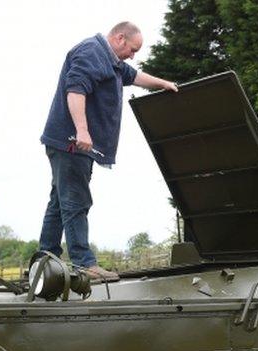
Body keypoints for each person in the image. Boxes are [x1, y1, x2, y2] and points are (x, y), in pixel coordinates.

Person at [38, 21, 178, 282]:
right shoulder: (92, 52)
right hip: (71, 143)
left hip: (72, 145)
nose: (133, 55)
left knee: (59, 202)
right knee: (76, 202)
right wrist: (82, 130)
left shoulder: (110, 60)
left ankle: (44, 262)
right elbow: (75, 89)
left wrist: (164, 84)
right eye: (133, 49)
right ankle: (84, 264)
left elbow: (134, 76)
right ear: (119, 37)